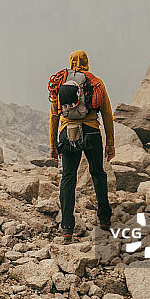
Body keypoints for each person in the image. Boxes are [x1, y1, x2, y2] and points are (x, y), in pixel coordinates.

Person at [49, 50, 115, 243]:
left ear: (70, 62)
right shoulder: (96, 82)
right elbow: (107, 113)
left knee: (68, 178)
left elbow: (54, 115)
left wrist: (53, 144)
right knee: (98, 173)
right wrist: (110, 142)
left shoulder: (60, 81)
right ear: (87, 62)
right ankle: (104, 219)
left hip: (67, 134)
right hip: (92, 132)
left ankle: (67, 228)